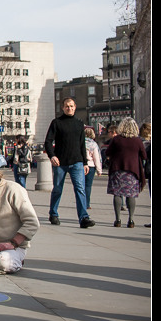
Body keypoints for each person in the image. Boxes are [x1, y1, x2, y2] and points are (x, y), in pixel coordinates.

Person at [44, 97, 94, 228]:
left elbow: (82, 144)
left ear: (75, 107)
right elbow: (48, 141)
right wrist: (52, 156)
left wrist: (85, 162)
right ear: (63, 108)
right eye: (67, 106)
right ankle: (53, 213)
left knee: (80, 189)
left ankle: (84, 218)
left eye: (71, 106)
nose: (69, 108)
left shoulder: (79, 123)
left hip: (77, 162)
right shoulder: (56, 123)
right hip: (60, 162)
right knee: (57, 189)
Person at [105, 118, 147, 228]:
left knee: (117, 194)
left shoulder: (117, 139)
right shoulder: (137, 140)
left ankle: (118, 219)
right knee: (131, 195)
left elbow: (108, 152)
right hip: (132, 171)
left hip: (117, 170)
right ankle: (131, 220)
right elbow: (144, 155)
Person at [83, 127, 102, 210]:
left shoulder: (80, 143)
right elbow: (96, 158)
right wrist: (99, 170)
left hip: (81, 165)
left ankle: (81, 202)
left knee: (80, 186)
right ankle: (87, 203)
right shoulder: (93, 144)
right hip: (91, 166)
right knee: (88, 186)